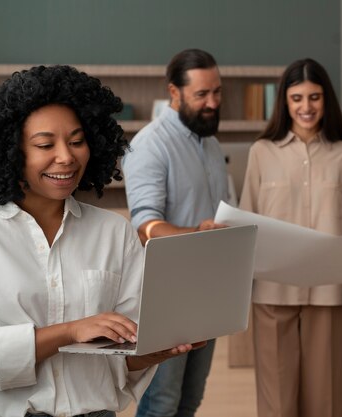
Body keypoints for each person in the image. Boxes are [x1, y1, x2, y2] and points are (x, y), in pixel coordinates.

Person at [0, 65, 199, 417]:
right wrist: (70, 332)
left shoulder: (113, 233)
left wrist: (156, 351)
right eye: (45, 144)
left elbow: (119, 362)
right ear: (10, 151)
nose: (67, 157)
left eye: (76, 141)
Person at [239, 58, 342, 417]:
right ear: (285, 102)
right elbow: (247, 220)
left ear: (327, 100)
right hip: (273, 288)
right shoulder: (261, 152)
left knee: (327, 397)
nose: (306, 107)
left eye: (314, 97)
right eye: (297, 98)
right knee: (277, 398)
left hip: (328, 289)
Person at [122, 49, 229, 417]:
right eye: (202, 95)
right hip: (167, 295)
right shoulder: (150, 144)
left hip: (208, 291)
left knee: (190, 399)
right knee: (161, 402)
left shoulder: (211, 143)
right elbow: (146, 226)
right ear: (174, 92)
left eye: (217, 92)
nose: (212, 103)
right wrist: (196, 234)